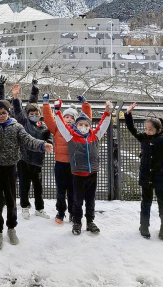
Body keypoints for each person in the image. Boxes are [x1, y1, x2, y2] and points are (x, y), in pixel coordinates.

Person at [0, 99, 53, 251]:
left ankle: (11, 228)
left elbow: (28, 140)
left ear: (8, 113)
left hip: (10, 168)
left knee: (11, 201)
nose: (1, 115)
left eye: (3, 113)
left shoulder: (16, 127)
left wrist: (42, 145)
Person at [125, 103, 163, 241]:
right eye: (146, 129)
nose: (147, 131)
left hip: (161, 174)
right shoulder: (144, 138)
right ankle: (144, 227)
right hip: (146, 174)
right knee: (145, 201)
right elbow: (132, 129)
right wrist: (128, 114)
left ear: (158, 129)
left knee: (162, 201)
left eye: (150, 129)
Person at [54, 99, 112, 236]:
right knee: (77, 200)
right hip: (78, 174)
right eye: (80, 124)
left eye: (86, 124)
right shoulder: (71, 136)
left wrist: (107, 112)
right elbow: (61, 125)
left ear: (89, 126)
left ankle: (90, 221)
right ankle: (76, 222)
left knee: (90, 200)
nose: (83, 126)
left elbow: (103, 125)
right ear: (76, 125)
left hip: (92, 173)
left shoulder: (94, 136)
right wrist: (57, 111)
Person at [42, 94, 92, 224]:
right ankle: (61, 211)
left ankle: (72, 212)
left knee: (73, 191)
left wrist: (85, 104)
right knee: (60, 190)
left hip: (74, 165)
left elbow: (87, 119)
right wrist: (46, 104)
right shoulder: (57, 128)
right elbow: (48, 118)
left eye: (72, 117)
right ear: (62, 118)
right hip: (60, 164)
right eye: (66, 116)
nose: (69, 119)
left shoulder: (78, 130)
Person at [11, 81, 52, 220]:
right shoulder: (24, 123)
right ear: (28, 115)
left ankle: (40, 208)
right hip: (24, 159)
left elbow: (48, 137)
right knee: (24, 185)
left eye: (36, 112)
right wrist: (16, 98)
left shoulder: (43, 127)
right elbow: (17, 111)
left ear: (39, 114)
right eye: (31, 113)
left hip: (38, 161)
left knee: (38, 187)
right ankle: (24, 206)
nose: (34, 114)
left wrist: (49, 144)